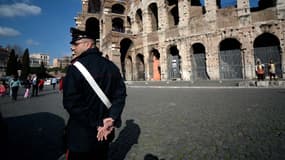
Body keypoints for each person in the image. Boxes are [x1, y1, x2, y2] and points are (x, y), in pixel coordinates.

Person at [62, 27, 127, 160]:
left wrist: (96, 123)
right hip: (106, 132)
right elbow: (120, 95)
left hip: (81, 135)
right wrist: (112, 118)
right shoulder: (112, 67)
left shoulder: (75, 68)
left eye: (75, 44)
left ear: (88, 44)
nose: (72, 48)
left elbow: (71, 103)